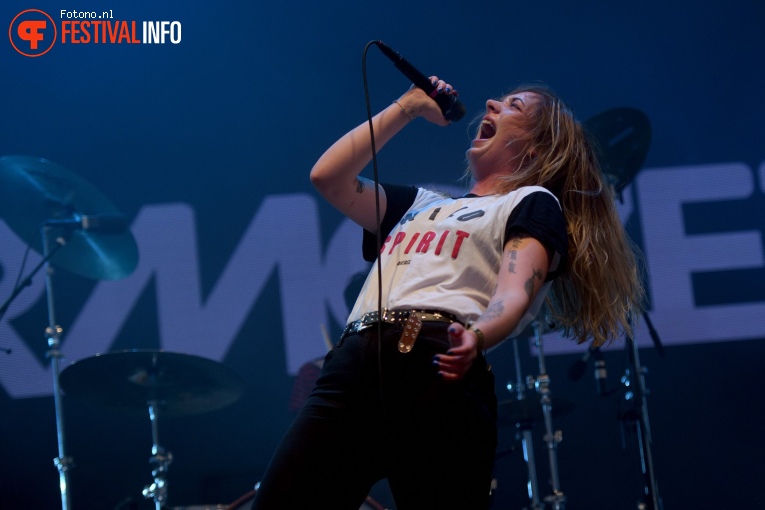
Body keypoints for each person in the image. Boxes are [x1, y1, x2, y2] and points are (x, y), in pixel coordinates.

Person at [251, 77, 644, 509]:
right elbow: (329, 177)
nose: (491, 103)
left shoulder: (529, 203)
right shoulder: (419, 205)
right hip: (353, 368)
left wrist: (477, 336)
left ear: (534, 149)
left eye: (512, 106)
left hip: (436, 366)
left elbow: (514, 293)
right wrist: (409, 105)